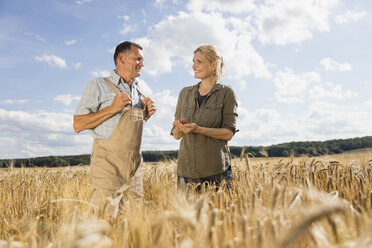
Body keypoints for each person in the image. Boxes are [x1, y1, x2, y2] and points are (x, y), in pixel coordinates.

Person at [73, 41, 156, 215]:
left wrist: (146, 115)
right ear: (121, 58)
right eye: (138, 59)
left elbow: (127, 129)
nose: (142, 64)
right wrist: (113, 108)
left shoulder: (138, 91)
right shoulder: (98, 85)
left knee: (134, 219)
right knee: (104, 217)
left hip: (135, 165)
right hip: (108, 163)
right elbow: (78, 124)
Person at [171, 45, 238, 191]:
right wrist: (179, 128)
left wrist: (199, 129)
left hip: (216, 171)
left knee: (219, 213)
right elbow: (176, 135)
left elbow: (228, 133)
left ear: (213, 64)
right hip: (186, 172)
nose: (194, 66)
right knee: (186, 214)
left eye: (199, 61)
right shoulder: (185, 93)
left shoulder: (226, 93)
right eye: (193, 61)